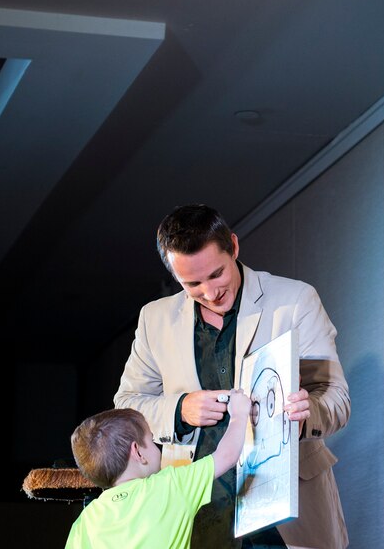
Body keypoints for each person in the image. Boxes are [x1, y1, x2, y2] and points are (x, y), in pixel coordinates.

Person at [115, 204, 350, 549]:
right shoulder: (155, 319)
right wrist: (180, 409)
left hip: (287, 518)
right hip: (197, 518)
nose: (210, 293)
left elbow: (334, 397)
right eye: (192, 283)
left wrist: (305, 416)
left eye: (216, 275)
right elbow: (127, 406)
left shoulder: (295, 300)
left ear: (234, 247)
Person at [65, 390, 251, 549]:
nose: (157, 446)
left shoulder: (85, 520)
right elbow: (226, 456)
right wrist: (239, 414)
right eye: (152, 439)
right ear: (138, 452)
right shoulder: (170, 485)